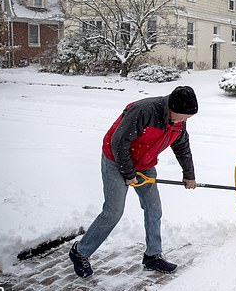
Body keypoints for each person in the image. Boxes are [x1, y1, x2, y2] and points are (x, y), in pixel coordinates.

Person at [68, 86, 199, 278]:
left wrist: (189, 175)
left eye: (187, 118)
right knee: (113, 212)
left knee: (154, 208)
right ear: (171, 106)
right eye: (182, 116)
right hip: (116, 160)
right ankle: (80, 252)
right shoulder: (143, 111)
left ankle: (153, 256)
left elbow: (182, 147)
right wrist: (128, 173)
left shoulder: (178, 121)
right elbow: (118, 142)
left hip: (144, 163)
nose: (184, 121)